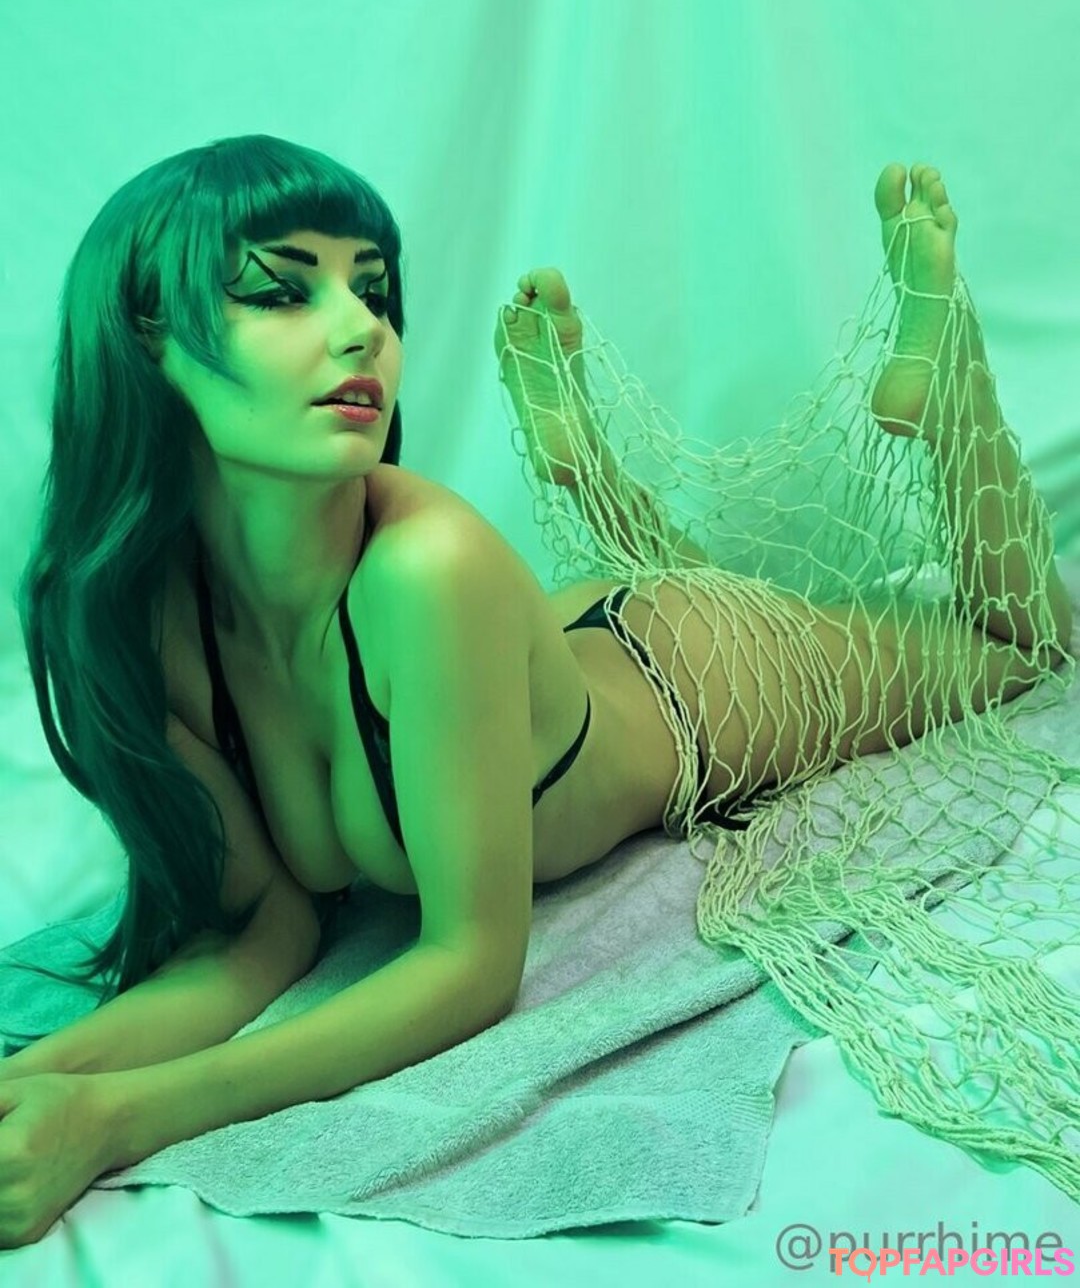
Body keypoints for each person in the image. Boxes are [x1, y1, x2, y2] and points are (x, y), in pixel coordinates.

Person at [0, 136, 1071, 1247]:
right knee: (834, 606)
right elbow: (261, 934)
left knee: (1024, 645)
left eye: (373, 289)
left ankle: (946, 366)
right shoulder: (153, 616)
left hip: (692, 677)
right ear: (147, 335)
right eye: (283, 290)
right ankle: (591, 475)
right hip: (540, 647)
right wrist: (39, 1080)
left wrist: (116, 1118)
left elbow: (470, 965)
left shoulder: (427, 568)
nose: (362, 328)